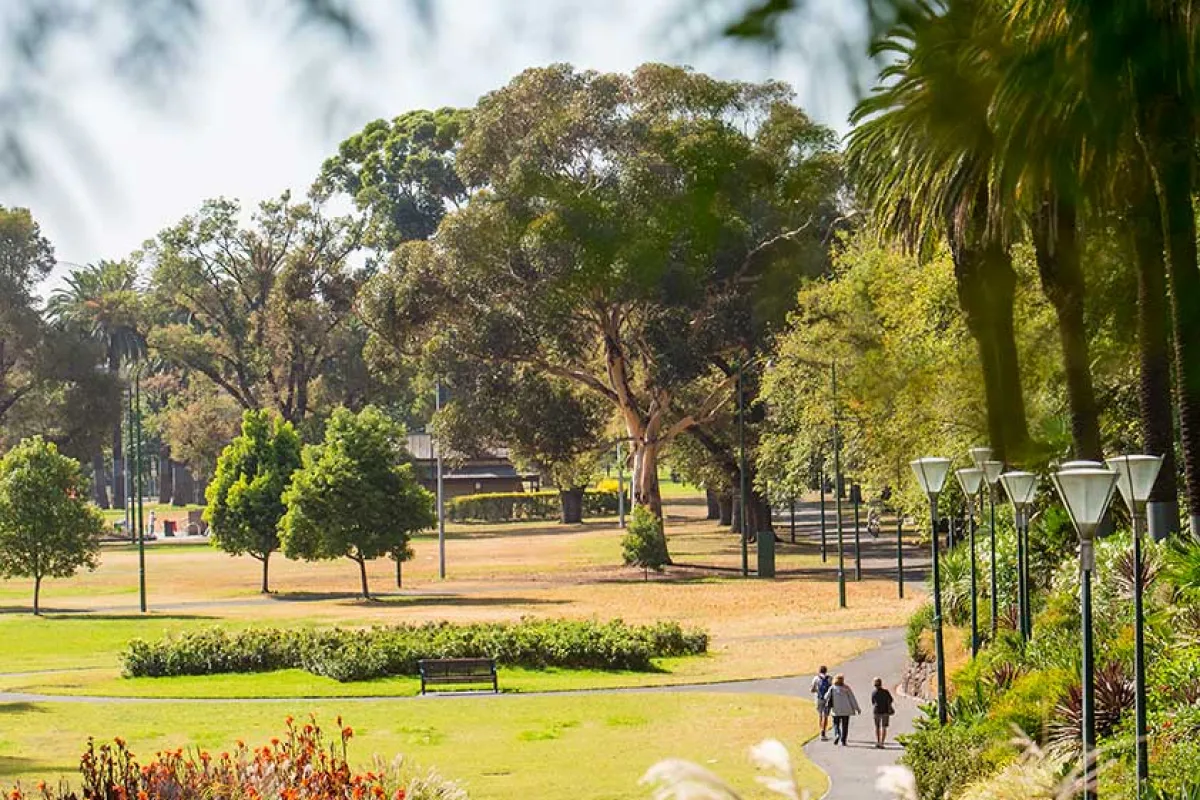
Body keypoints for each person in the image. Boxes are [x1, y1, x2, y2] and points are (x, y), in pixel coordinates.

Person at [828, 673, 861, 746]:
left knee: (836, 724)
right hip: (846, 710)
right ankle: (843, 740)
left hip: (836, 710)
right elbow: (852, 699)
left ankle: (837, 734)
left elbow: (826, 697)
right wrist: (857, 708)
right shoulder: (846, 688)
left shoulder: (832, 688)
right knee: (845, 725)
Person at [870, 676, 895, 749]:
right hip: (885, 711)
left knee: (877, 727)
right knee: (884, 727)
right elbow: (891, 700)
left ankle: (878, 741)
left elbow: (872, 702)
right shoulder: (886, 692)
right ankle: (882, 742)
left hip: (877, 711)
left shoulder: (874, 693)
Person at [810, 665, 833, 740]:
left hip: (818, 699)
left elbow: (812, 689)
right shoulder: (830, 678)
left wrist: (816, 691)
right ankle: (823, 731)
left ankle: (821, 730)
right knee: (825, 716)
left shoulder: (816, 678)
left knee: (820, 715)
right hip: (827, 699)